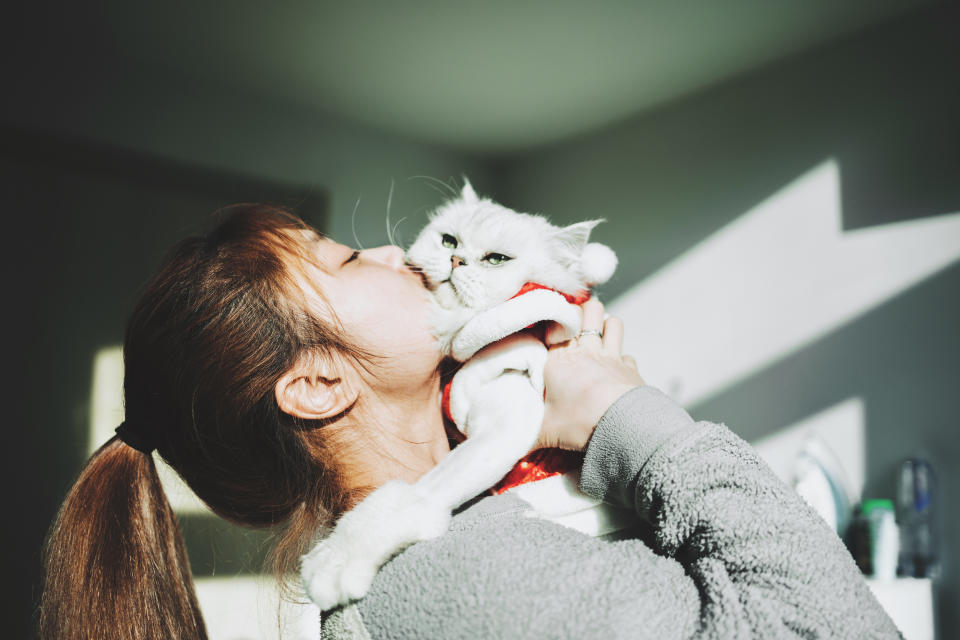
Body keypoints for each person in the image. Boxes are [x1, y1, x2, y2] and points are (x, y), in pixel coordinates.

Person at [38, 203, 899, 640]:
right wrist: (626, 416)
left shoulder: (446, 546)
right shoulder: (445, 575)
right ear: (317, 383)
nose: (391, 252)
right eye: (342, 258)